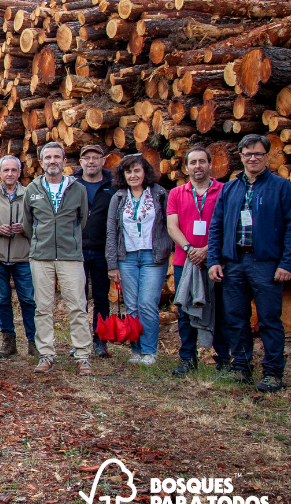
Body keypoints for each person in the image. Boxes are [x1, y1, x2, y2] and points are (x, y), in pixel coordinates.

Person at [208, 134, 291, 393]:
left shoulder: (281, 187)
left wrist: (287, 263)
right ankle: (241, 367)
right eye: (248, 154)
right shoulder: (230, 188)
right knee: (236, 317)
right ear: (240, 156)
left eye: (258, 154)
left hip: (266, 263)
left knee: (269, 319)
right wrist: (214, 259)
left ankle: (273, 373)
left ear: (266, 157)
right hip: (234, 262)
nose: (253, 158)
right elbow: (217, 226)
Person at [22, 142, 92, 376]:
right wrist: (41, 241)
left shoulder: (77, 189)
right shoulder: (32, 189)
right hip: (41, 256)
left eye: (57, 157)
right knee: (43, 307)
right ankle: (46, 355)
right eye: (48, 158)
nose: (53, 161)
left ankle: (82, 355)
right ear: (41, 163)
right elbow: (28, 223)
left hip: (70, 255)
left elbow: (81, 221)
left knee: (77, 306)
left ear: (64, 162)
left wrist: (68, 240)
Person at [165, 145, 229, 377]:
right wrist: (191, 249)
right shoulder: (176, 193)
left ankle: (223, 359)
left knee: (220, 311)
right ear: (186, 167)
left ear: (210, 165)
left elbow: (228, 226)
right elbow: (172, 226)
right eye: (193, 162)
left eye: (202, 161)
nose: (198, 166)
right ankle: (187, 359)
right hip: (186, 260)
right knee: (185, 310)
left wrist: (208, 250)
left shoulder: (224, 190)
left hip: (216, 260)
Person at [105, 154, 173, 367]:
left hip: (153, 256)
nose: (133, 175)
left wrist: (166, 248)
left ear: (145, 172)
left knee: (147, 304)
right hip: (127, 257)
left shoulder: (160, 195)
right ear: (123, 175)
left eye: (137, 170)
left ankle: (150, 351)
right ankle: (136, 350)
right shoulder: (118, 197)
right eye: (128, 171)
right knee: (132, 306)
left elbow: (169, 226)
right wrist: (112, 264)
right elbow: (111, 232)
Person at [0, 155, 36, 359]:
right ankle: (8, 341)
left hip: (23, 255)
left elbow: (40, 224)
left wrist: (26, 228)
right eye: (6, 170)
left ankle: (33, 341)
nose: (10, 174)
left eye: (14, 170)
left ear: (19, 172)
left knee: (28, 300)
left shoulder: (30, 194)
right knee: (3, 300)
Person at [78, 144, 116, 358]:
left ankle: (100, 340)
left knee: (101, 298)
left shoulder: (113, 186)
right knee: (79, 298)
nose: (91, 162)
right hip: (78, 250)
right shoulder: (73, 184)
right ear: (81, 162)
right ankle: (80, 340)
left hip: (103, 250)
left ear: (103, 160)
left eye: (95, 157)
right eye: (87, 158)